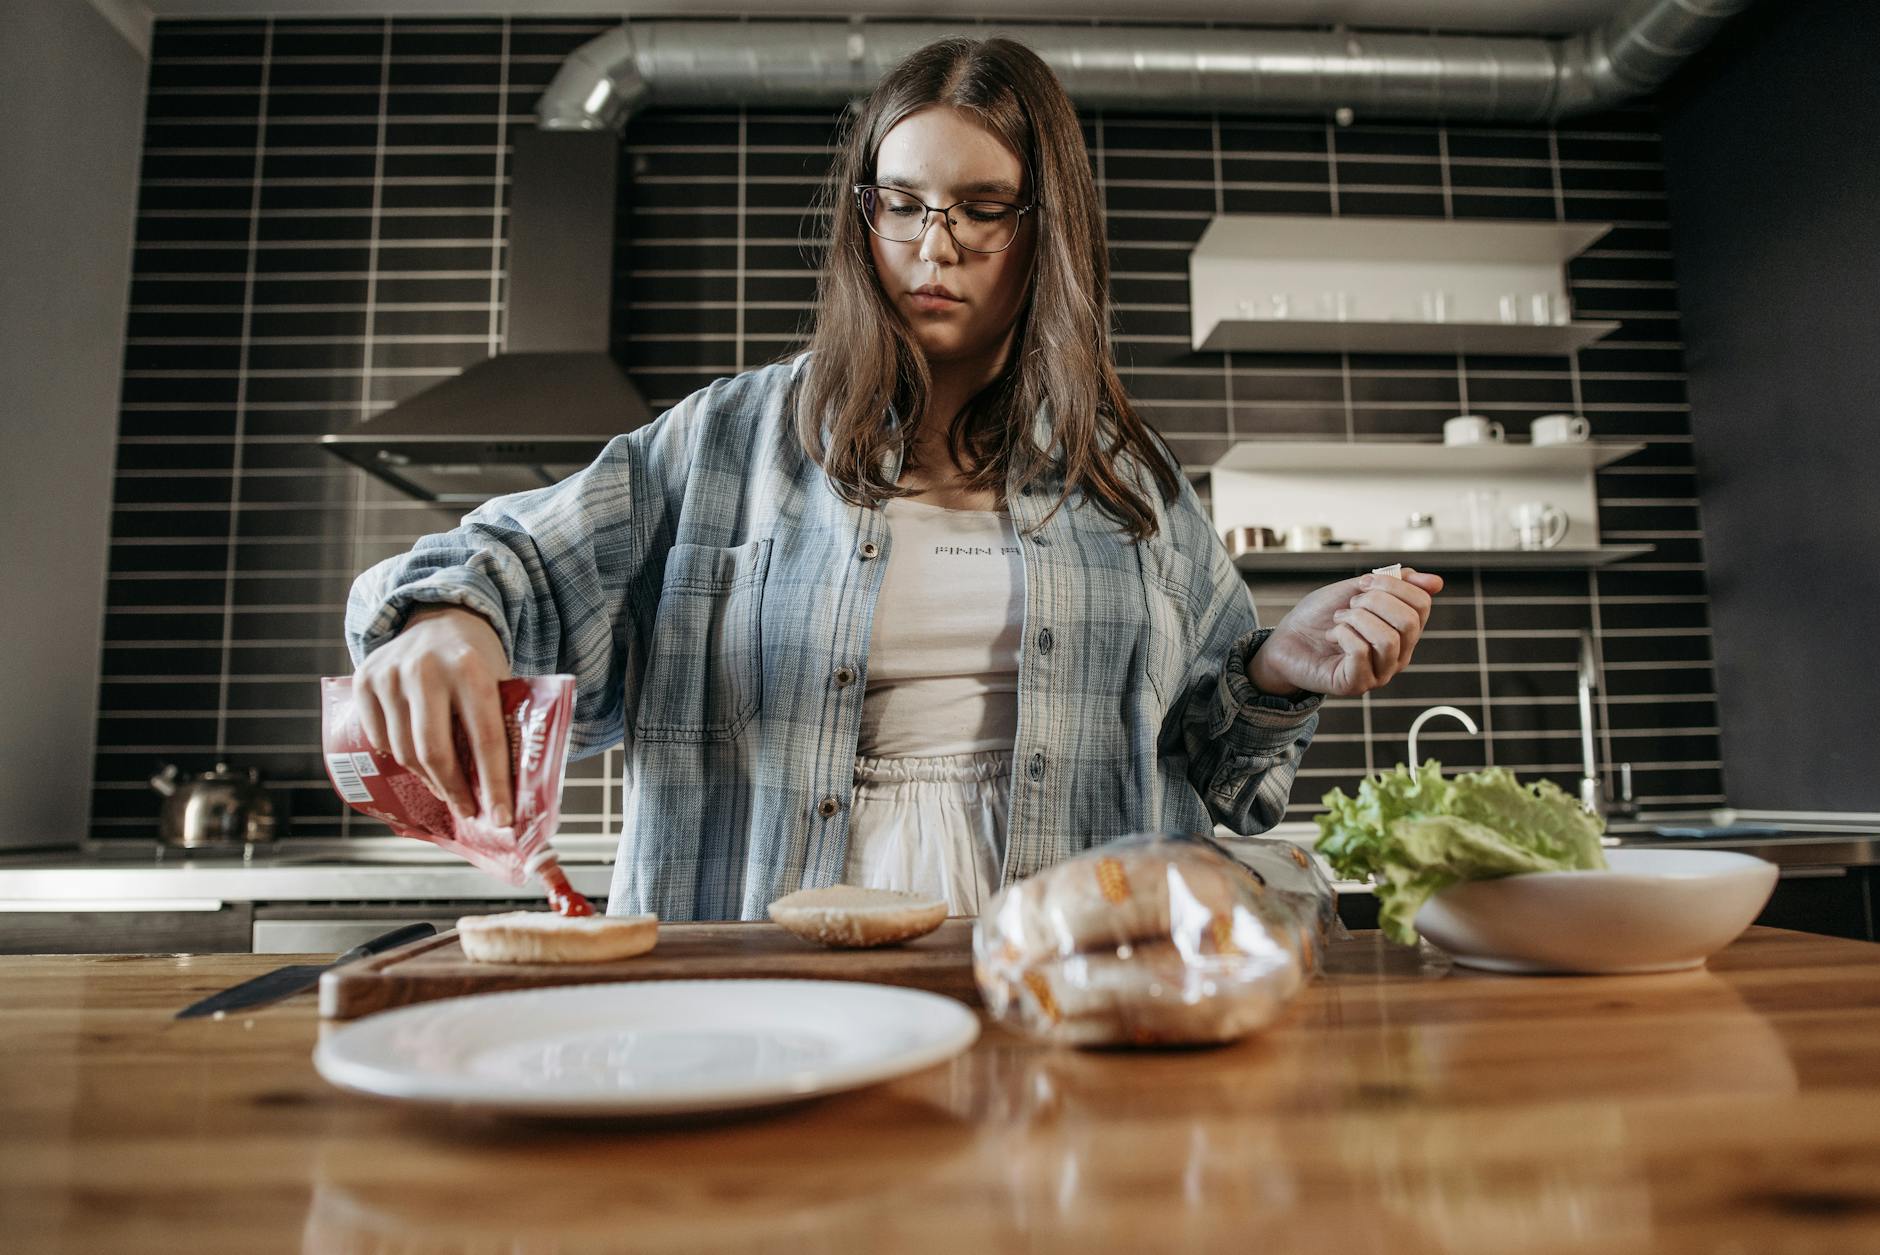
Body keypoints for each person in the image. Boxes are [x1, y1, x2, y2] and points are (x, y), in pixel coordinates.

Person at [344, 36, 1443, 922]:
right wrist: (450, 619)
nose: (934, 243)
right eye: (901, 201)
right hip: (759, 981)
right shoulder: (721, 442)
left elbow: (1215, 767)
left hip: (1066, 970)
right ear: (861, 213)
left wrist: (1279, 672)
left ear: (1043, 230)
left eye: (980, 205)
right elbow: (510, 568)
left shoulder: (1129, 483)